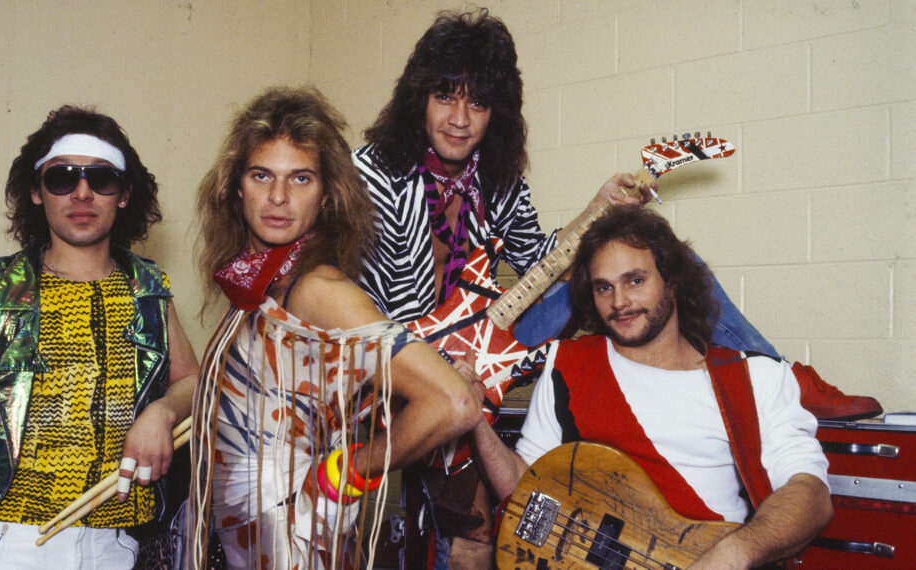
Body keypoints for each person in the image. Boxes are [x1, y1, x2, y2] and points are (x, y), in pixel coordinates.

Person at [349, 8, 797, 567]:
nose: (461, 118)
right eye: (446, 97)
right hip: (399, 366)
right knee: (470, 528)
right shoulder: (370, 174)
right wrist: (428, 362)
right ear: (419, 98)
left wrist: (596, 208)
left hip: (490, 340)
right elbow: (353, 308)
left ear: (498, 112)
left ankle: (778, 378)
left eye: (479, 102)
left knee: (676, 261)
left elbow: (540, 261)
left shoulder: (499, 178)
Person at [188, 86, 482, 569]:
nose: (278, 198)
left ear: (327, 196)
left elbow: (453, 402)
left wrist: (344, 473)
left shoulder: (317, 289)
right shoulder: (262, 281)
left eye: (300, 179)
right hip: (242, 536)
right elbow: (218, 388)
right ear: (236, 187)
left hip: (292, 541)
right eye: (262, 175)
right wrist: (161, 412)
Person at [474, 206, 833, 568]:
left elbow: (810, 493)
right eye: (604, 287)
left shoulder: (756, 377)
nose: (619, 303)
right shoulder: (566, 365)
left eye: (635, 281)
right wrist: (473, 417)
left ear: (672, 280)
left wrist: (731, 555)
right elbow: (525, 488)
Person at [0, 106, 200, 568]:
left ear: (125, 194)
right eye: (62, 178)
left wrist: (162, 412)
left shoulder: (148, 290)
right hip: (11, 543)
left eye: (102, 179)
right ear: (36, 192)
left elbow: (195, 381)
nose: (82, 192)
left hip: (118, 545)